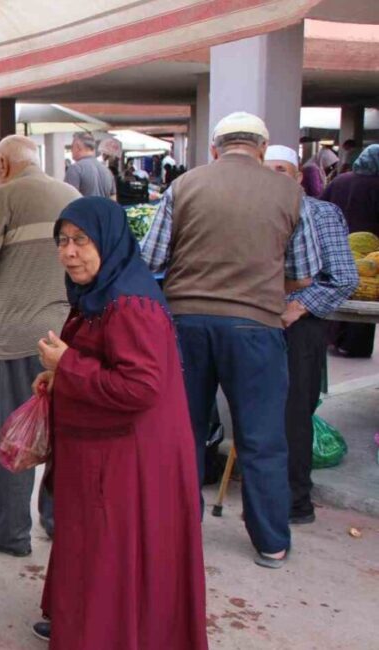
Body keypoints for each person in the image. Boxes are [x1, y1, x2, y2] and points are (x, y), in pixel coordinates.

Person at [141, 112, 320, 568]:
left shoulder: (184, 186)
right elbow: (303, 275)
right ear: (262, 150)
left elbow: (153, 257)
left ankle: (179, 531)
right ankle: (271, 541)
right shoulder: (290, 192)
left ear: (216, 149)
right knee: (262, 437)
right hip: (256, 327)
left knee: (183, 432)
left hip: (185, 325)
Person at [30, 197, 207, 649]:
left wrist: (67, 365)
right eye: (63, 241)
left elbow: (140, 387)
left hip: (132, 457)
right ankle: (90, 623)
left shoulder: (130, 305)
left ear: (108, 242)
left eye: (81, 240)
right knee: (97, 547)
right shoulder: (104, 291)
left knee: (113, 550)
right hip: (109, 449)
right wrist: (58, 375)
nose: (69, 252)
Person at [0, 135, 79, 555]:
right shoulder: (71, 194)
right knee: (62, 436)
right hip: (65, 337)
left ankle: (10, 533)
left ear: (4, 167)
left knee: (11, 437)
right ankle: (57, 522)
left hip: (16, 336)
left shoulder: (4, 196)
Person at [264, 145, 359, 525]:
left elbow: (345, 278)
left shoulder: (322, 214)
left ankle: (295, 502)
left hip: (298, 327)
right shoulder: (253, 214)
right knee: (261, 413)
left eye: (281, 170)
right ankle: (265, 492)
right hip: (258, 322)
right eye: (266, 170)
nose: (274, 177)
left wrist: (298, 306)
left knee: (292, 414)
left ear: (299, 176)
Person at [322, 144, 379, 358]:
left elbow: (320, 206)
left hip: (335, 246)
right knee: (363, 293)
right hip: (368, 253)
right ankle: (355, 346)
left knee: (336, 291)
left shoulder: (340, 181)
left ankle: (332, 339)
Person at [63, 132, 116, 200]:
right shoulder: (108, 171)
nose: (71, 150)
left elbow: (68, 199)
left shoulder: (75, 169)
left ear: (78, 147)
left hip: (83, 210)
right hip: (104, 210)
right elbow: (113, 201)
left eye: (72, 147)